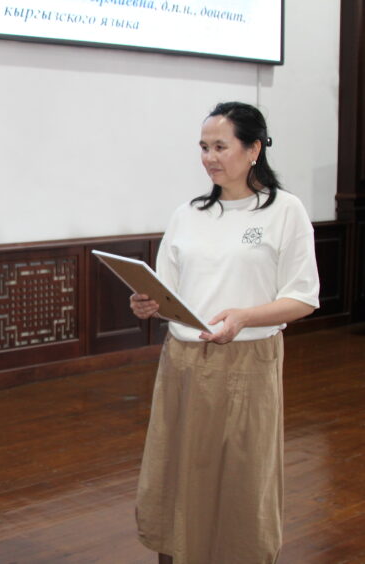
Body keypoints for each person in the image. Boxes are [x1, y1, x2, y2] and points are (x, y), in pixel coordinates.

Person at [130, 102, 320, 564]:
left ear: (253, 149)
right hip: (183, 361)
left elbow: (303, 298)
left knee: (242, 470)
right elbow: (166, 289)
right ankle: (180, 552)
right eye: (203, 147)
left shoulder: (285, 211)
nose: (209, 157)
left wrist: (245, 317)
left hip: (248, 363)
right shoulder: (188, 213)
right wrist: (147, 304)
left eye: (220, 146)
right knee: (179, 467)